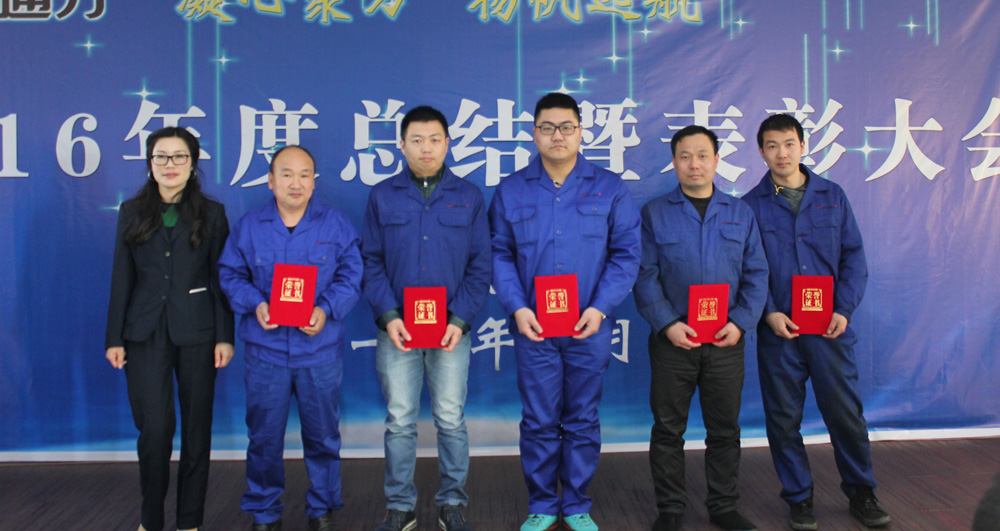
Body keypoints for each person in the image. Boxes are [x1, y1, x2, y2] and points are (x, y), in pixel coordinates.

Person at [489, 92, 641, 531]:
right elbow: (499, 253)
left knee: (582, 417)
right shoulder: (511, 189)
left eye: (566, 127)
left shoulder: (610, 187)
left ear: (581, 132)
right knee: (538, 418)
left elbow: (626, 253)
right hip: (533, 327)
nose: (557, 135)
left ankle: (576, 504)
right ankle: (541, 503)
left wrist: (600, 308)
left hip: (588, 326)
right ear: (534, 133)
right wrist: (517, 308)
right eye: (547, 127)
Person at [742, 113, 890, 530]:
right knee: (783, 420)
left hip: (829, 329)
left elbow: (853, 258)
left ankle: (861, 492)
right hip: (780, 333)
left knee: (845, 415)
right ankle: (799, 498)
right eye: (772, 146)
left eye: (789, 144)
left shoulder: (832, 195)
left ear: (803, 146)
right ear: (761, 151)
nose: (781, 153)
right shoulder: (749, 206)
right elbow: (748, 268)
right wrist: (769, 312)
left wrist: (843, 310)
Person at [218, 145, 363, 531]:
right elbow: (230, 274)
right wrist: (256, 304)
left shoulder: (335, 224)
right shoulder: (250, 226)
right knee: (264, 438)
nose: (295, 183)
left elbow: (352, 274)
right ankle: (265, 511)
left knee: (323, 435)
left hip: (319, 350)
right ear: (271, 181)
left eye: (304, 175)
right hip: (266, 352)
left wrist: (326, 309)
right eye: (286, 174)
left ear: (314, 182)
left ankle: (322, 507)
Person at [361, 105, 490, 531]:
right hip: (397, 329)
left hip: (452, 329)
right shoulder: (382, 195)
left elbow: (481, 265)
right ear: (401, 145)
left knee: (450, 418)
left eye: (435, 139)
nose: (426, 148)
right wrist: (388, 315)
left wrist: (461, 319)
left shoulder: (469, 196)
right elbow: (370, 261)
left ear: (448, 143)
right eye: (416, 140)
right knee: (400, 420)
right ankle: (401, 505)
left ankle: (452, 502)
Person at [634, 125, 768, 531]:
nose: (694, 164)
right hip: (673, 343)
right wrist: (667, 324)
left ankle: (723, 506)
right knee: (668, 430)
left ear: (716, 160)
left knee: (724, 430)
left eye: (703, 155)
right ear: (674, 162)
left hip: (726, 342)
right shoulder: (654, 213)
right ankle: (670, 509)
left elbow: (757, 274)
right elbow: (644, 275)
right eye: (685, 156)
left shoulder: (740, 213)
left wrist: (740, 323)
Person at [105, 126, 235, 531]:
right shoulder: (131, 211)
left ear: (193, 164)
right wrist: (114, 338)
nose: (170, 164)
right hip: (143, 333)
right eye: (161, 156)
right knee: (156, 430)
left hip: (198, 331)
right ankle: (151, 519)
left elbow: (222, 278)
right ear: (150, 163)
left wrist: (225, 335)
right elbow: (122, 277)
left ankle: (189, 521)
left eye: (179, 156)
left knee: (196, 431)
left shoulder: (212, 213)